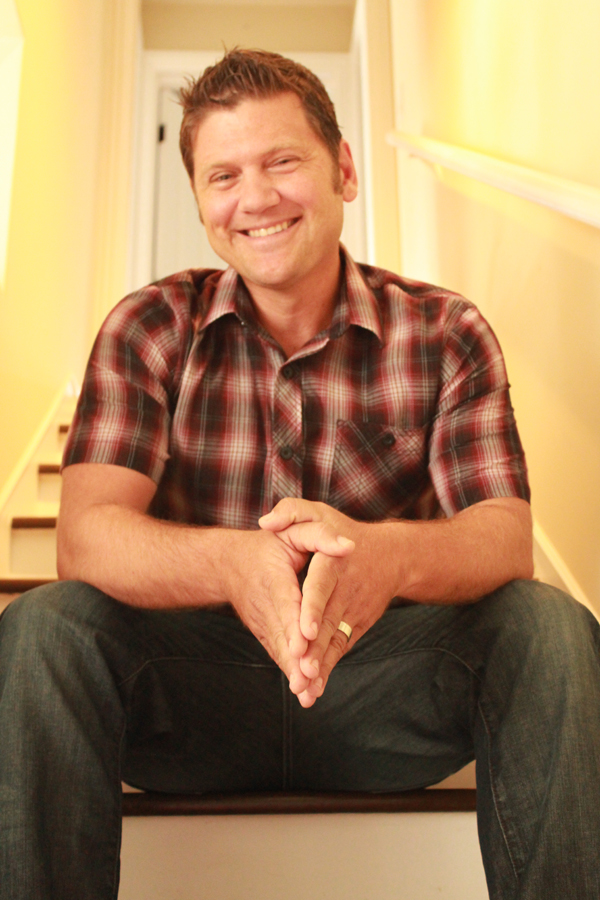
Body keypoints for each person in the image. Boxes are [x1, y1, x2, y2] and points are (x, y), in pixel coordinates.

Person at [0, 49, 599, 900]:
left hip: (387, 694)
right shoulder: (146, 325)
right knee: (43, 627)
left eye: (281, 161)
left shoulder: (447, 330)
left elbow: (504, 539)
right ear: (201, 200)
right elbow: (86, 536)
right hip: (189, 699)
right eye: (223, 176)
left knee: (548, 627)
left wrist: (385, 557)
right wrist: (231, 565)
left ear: (343, 169)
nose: (254, 199)